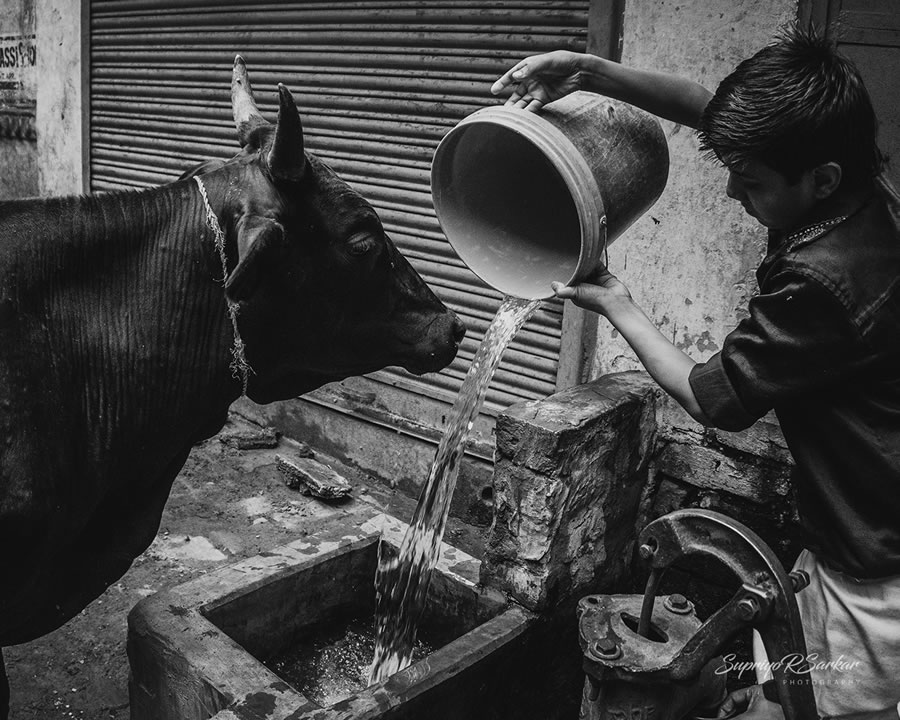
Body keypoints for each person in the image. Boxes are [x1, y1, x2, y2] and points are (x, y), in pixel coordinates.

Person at [491, 24, 900, 720]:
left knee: (824, 706)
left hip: (875, 570)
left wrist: (620, 303)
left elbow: (714, 397)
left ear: (820, 179)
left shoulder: (822, 283)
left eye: (753, 182)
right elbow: (702, 104)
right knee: (790, 684)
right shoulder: (862, 186)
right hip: (857, 527)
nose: (734, 192)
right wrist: (588, 70)